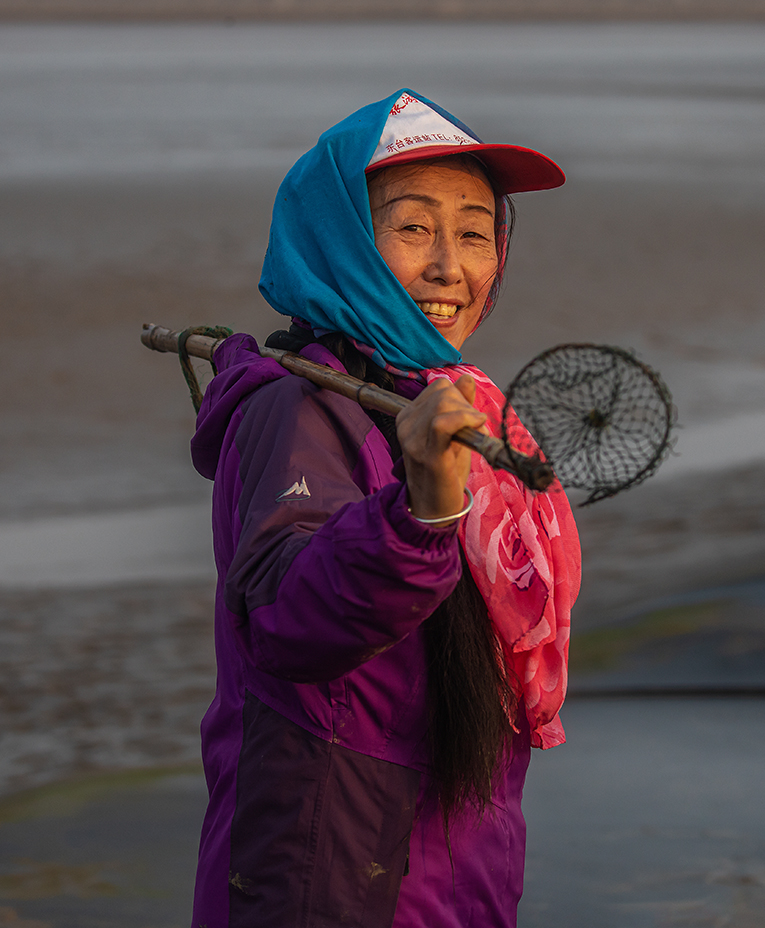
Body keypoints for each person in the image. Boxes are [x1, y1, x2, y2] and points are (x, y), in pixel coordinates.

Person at [188, 89, 581, 928]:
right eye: (412, 228)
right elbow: (292, 620)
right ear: (340, 241)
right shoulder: (292, 411)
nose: (451, 267)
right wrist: (422, 515)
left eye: (476, 233)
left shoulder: (452, 402)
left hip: (460, 869)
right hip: (332, 875)